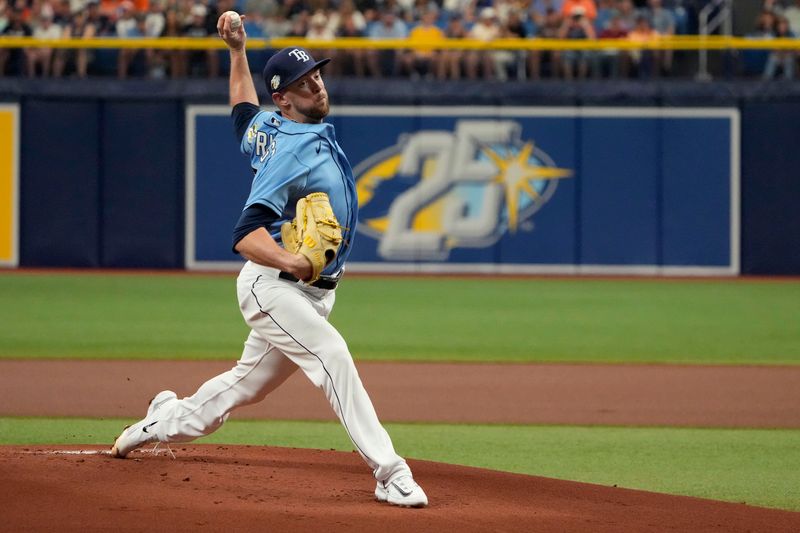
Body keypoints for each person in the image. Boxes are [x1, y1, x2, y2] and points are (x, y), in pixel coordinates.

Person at [110, 12, 429, 510]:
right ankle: (390, 472)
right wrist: (292, 261)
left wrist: (237, 51)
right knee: (332, 356)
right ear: (283, 99)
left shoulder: (268, 126)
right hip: (274, 286)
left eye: (317, 76)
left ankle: (159, 421)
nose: (316, 87)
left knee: (241, 389)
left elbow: (241, 109)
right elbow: (245, 234)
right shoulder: (289, 152)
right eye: (303, 85)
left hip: (312, 293)